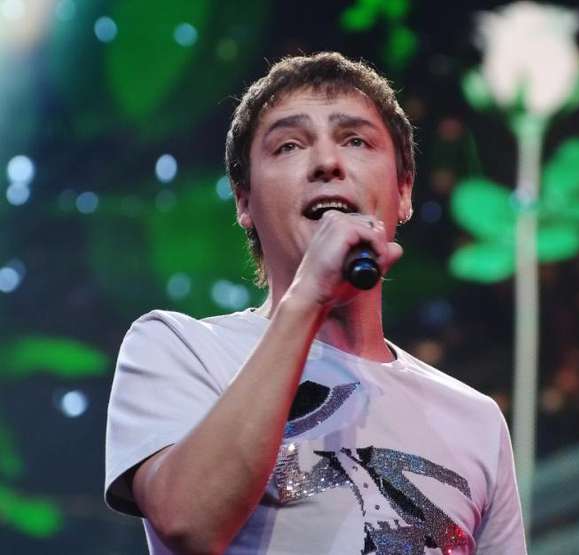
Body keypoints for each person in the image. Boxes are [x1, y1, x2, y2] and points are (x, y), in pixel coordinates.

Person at [104, 51, 526, 555]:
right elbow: (188, 522)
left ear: (404, 191)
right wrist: (308, 297)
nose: (327, 163)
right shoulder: (180, 348)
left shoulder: (475, 419)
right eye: (289, 145)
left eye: (355, 140)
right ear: (244, 202)